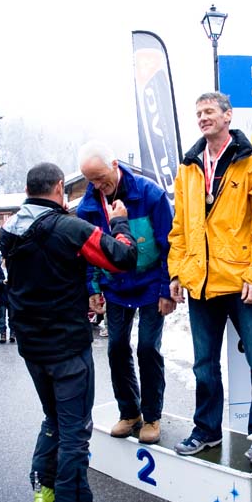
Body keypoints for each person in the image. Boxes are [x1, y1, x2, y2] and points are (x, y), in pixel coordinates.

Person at [0, 162, 137, 502]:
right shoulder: (70, 228)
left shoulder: (9, 230)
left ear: (28, 190)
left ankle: (44, 492)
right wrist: (120, 222)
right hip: (68, 350)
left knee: (54, 419)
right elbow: (123, 257)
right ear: (60, 187)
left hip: (32, 348)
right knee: (75, 432)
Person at [168, 92, 252, 463]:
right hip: (201, 283)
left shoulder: (250, 161)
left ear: (228, 115)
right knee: (204, 365)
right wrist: (177, 271)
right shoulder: (188, 166)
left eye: (210, 111)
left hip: (242, 282)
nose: (203, 118)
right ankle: (206, 430)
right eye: (198, 113)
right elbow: (180, 227)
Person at [77, 140, 176, 445]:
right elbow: (89, 252)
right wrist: (93, 288)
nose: (97, 185)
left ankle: (152, 416)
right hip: (116, 286)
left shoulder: (150, 194)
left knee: (147, 348)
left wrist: (166, 289)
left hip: (150, 284)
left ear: (114, 165)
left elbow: (168, 244)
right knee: (116, 347)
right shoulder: (88, 206)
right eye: (91, 181)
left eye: (100, 178)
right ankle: (129, 412)